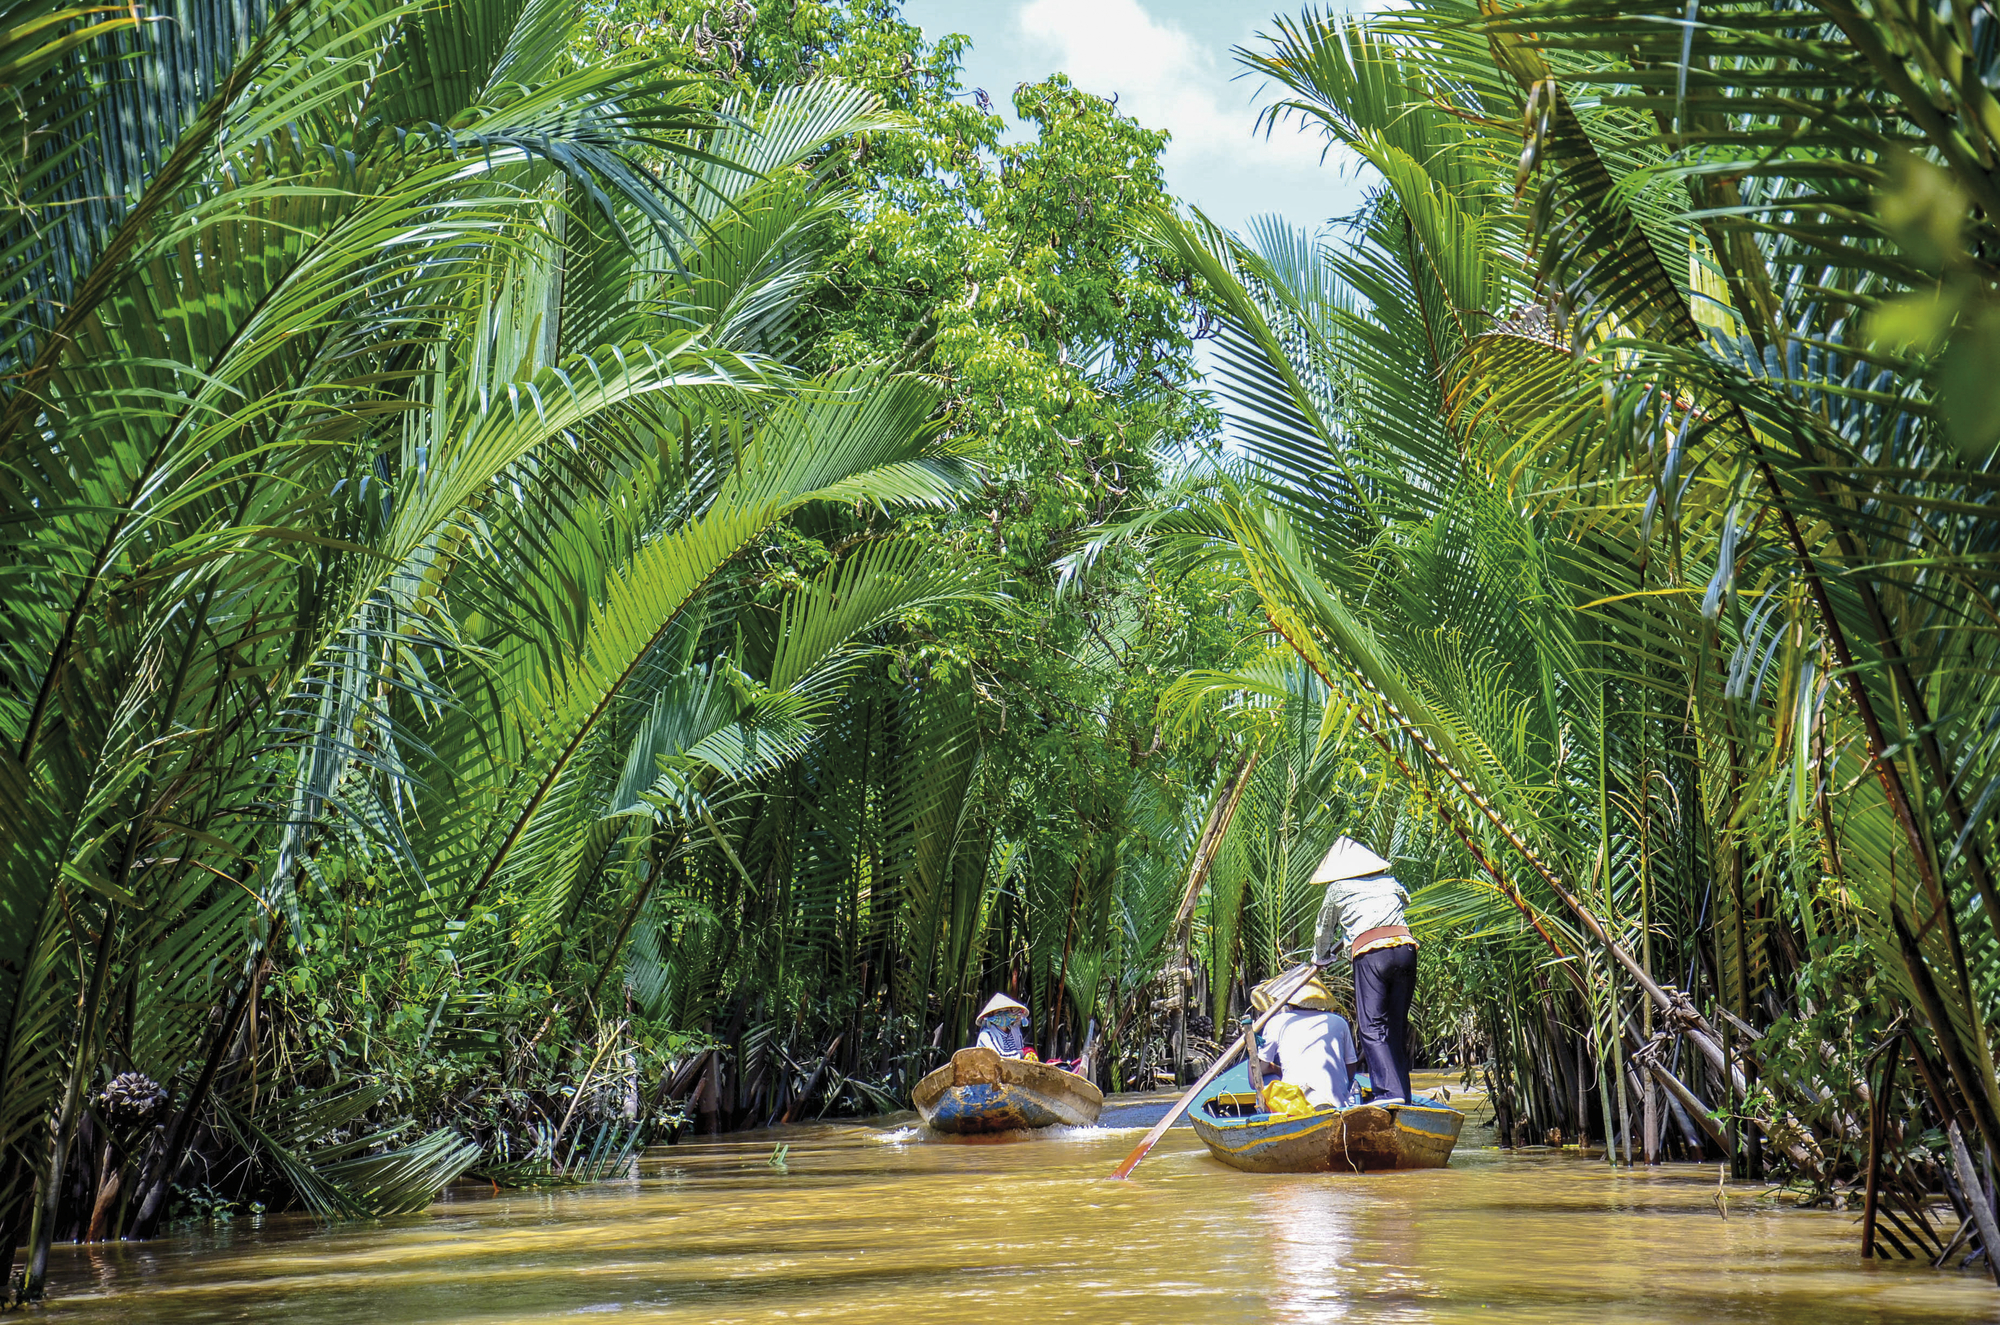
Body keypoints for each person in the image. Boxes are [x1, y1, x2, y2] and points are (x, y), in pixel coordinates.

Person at [1309, 835, 1417, 1106]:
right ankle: (1403, 1094)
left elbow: (1324, 929)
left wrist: (1320, 957)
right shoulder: (1389, 882)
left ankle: (1389, 1095)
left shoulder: (1337, 889)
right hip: (1405, 948)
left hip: (1372, 954)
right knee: (1395, 1026)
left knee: (1372, 1028)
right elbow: (1404, 902)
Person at [1251, 972, 1360, 1109]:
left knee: (1269, 1081)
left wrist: (1273, 1068)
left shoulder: (1278, 1022)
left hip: (1298, 1105)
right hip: (1336, 1103)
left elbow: (1255, 1075)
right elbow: (1350, 1069)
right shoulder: (1338, 1021)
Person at [972, 992, 1036, 1059]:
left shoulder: (1015, 1031)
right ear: (991, 1015)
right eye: (999, 1012)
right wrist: (1023, 1053)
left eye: (1007, 1012)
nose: (1003, 1015)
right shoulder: (986, 1035)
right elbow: (998, 1057)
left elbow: (1019, 1053)